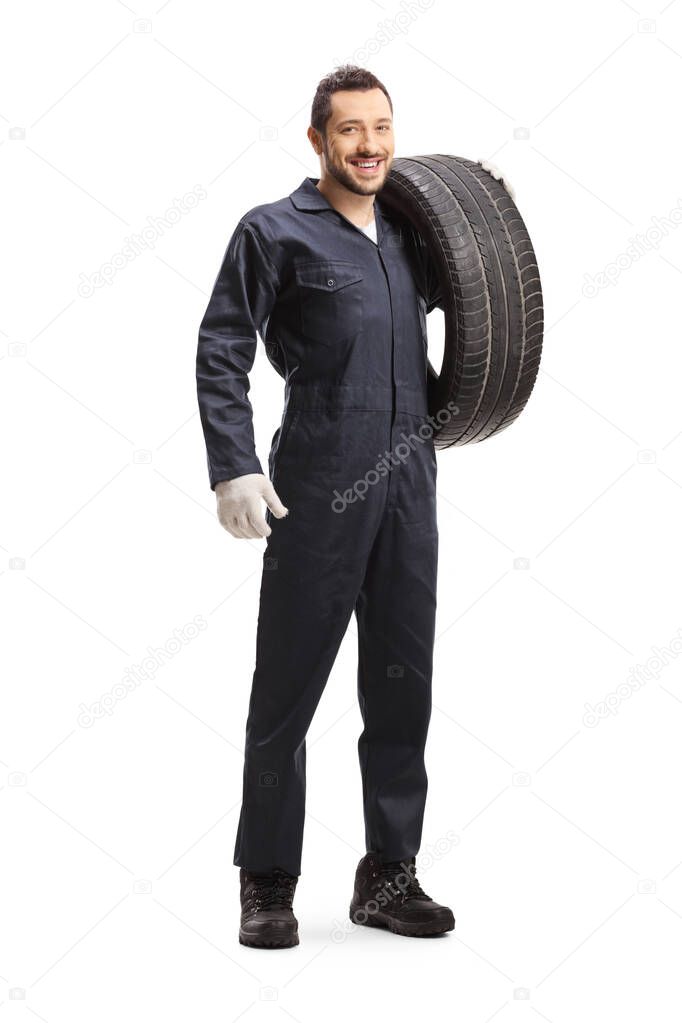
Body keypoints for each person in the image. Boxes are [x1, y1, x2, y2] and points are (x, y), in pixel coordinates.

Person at [196, 64, 512, 949]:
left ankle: (389, 874)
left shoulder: (413, 235)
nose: (368, 145)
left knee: (402, 684)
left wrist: (492, 221)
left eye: (380, 127)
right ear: (317, 140)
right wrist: (234, 466)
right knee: (288, 687)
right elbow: (222, 345)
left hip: (412, 481)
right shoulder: (273, 231)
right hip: (320, 480)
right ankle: (268, 880)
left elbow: (481, 303)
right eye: (349, 130)